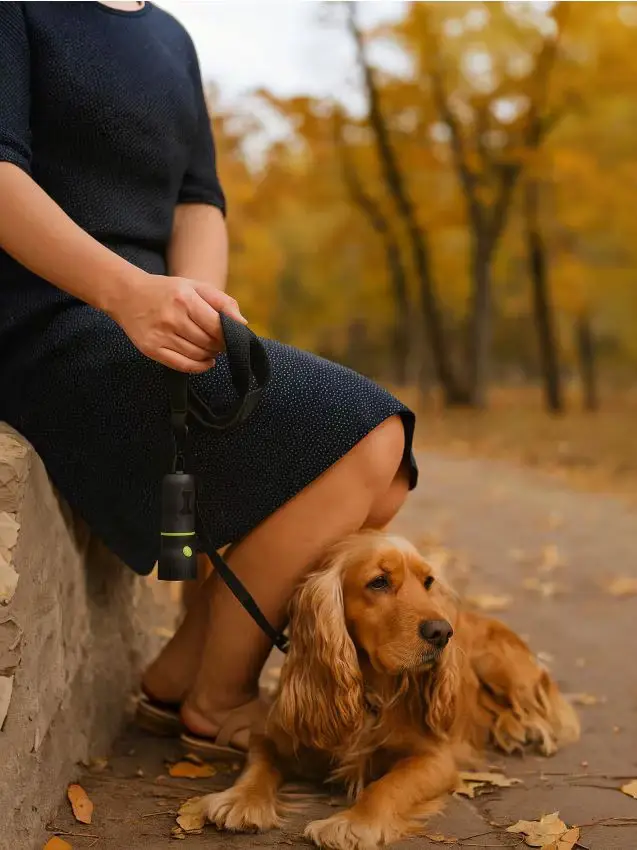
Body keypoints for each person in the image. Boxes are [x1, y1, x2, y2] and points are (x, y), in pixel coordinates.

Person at [0, 0, 417, 756]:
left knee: (384, 478)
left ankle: (180, 675)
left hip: (141, 318)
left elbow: (198, 199)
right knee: (367, 438)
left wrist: (197, 306)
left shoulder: (171, 38)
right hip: (44, 319)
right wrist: (127, 293)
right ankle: (218, 698)